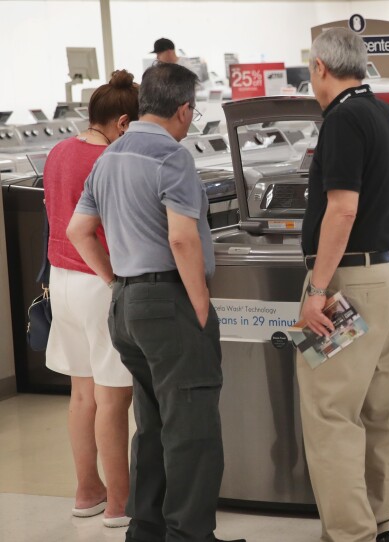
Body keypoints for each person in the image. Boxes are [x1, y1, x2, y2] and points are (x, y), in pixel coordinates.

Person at [67, 62, 244, 542]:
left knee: (152, 423)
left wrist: (116, 281)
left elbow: (78, 231)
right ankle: (189, 536)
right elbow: (182, 239)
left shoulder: (109, 156)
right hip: (169, 304)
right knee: (192, 429)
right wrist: (200, 306)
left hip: (126, 305)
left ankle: (146, 530)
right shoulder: (172, 157)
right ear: (184, 110)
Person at [297, 27, 389, 542]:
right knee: (380, 410)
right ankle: (384, 525)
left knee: (330, 412)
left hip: (349, 285)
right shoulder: (387, 115)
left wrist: (316, 290)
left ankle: (350, 534)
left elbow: (342, 210)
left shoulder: (342, 120)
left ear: (320, 67)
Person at [43, 69, 139, 529]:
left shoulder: (58, 151)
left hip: (60, 280)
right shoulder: (112, 159)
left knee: (82, 394)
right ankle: (120, 502)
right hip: (99, 281)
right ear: (122, 123)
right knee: (113, 397)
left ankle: (88, 491)